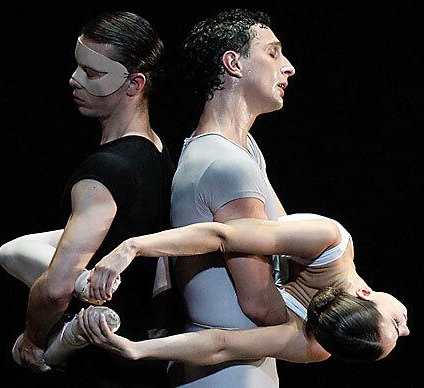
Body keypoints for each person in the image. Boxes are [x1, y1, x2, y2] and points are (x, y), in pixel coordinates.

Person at [0, 11, 175, 386]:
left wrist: (31, 338)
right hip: (140, 352)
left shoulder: (105, 171)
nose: (74, 79)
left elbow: (57, 288)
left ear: (134, 84)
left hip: (102, 361)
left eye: (93, 73)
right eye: (78, 66)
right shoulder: (159, 152)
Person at [136, 8, 295, 387]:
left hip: (244, 363)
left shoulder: (244, 150)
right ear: (233, 63)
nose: (288, 67)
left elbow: (289, 246)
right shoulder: (224, 163)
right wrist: (329, 325)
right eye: (273, 53)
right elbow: (258, 301)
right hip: (229, 373)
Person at [85, 213, 410, 364]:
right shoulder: (328, 242)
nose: (407, 329)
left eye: (398, 326)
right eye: (397, 324)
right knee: (257, 299)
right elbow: (223, 235)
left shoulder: (313, 344)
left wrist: (137, 349)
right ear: (363, 295)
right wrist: (132, 248)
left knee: (260, 307)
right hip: (240, 212)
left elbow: (223, 343)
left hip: (218, 265)